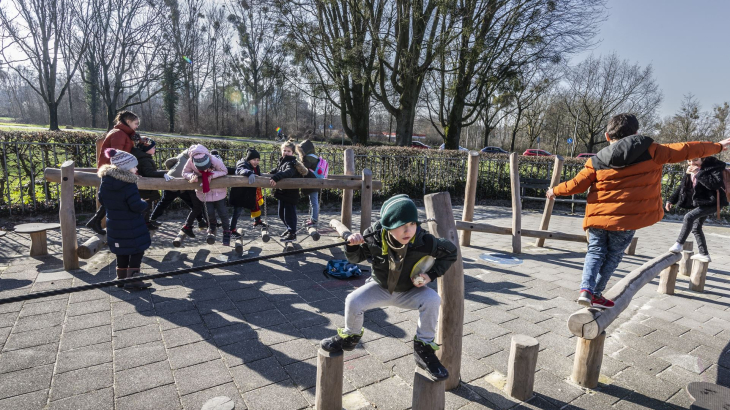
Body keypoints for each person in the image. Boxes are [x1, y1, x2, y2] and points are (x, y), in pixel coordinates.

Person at [546, 113, 730, 309]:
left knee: (595, 251)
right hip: (626, 220)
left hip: (598, 217)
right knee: (614, 255)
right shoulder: (653, 151)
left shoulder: (596, 161)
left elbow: (576, 185)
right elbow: (687, 149)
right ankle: (597, 293)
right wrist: (717, 146)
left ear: (608, 136)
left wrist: (554, 191)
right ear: (636, 133)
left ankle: (586, 290)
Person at [319, 194, 458, 381]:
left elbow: (451, 252)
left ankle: (423, 348)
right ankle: (350, 337)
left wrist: (430, 275)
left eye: (412, 224)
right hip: (381, 287)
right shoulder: (373, 237)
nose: (408, 231)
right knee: (353, 300)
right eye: (402, 226)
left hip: (410, 291)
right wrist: (352, 245)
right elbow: (355, 259)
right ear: (389, 225)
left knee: (433, 299)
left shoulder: (424, 241)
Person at [97, 148, 151, 290]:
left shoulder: (106, 181)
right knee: (136, 250)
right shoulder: (129, 185)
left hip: (114, 224)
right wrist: (144, 203)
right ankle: (133, 279)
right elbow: (135, 205)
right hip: (131, 225)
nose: (136, 168)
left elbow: (101, 199)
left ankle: (121, 279)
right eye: (134, 166)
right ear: (126, 168)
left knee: (121, 251)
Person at [86, 110, 142, 235]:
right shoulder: (119, 134)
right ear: (128, 122)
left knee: (113, 198)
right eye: (136, 123)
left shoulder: (122, 133)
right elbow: (118, 157)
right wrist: (130, 173)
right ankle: (97, 221)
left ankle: (95, 220)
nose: (137, 126)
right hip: (116, 172)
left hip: (116, 171)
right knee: (115, 198)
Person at [666, 156, 728, 262]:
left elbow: (714, 185)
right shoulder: (690, 170)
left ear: (702, 159)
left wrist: (698, 173)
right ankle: (704, 254)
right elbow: (682, 187)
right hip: (702, 203)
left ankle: (679, 244)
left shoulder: (713, 168)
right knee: (696, 227)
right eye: (689, 161)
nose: (692, 163)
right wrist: (671, 200)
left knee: (688, 217)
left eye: (695, 160)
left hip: (713, 202)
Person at [149, 149, 208, 232]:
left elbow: (169, 162)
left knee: (164, 202)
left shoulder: (181, 156)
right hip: (180, 184)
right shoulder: (193, 160)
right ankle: (200, 221)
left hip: (170, 180)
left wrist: (172, 170)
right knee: (191, 203)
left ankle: (153, 218)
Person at [182, 144, 231, 245]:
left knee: (223, 212)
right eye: (201, 169)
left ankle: (226, 231)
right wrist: (192, 176)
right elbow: (184, 173)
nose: (204, 171)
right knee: (209, 212)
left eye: (206, 168)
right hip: (204, 193)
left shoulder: (214, 160)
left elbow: (224, 171)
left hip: (219, 192)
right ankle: (212, 226)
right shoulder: (190, 161)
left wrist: (212, 175)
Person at [269, 140, 307, 241]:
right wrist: (270, 173)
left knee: (289, 214)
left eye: (288, 151)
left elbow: (288, 172)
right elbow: (278, 170)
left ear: (293, 153)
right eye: (284, 150)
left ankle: (292, 233)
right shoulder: (283, 161)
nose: (286, 153)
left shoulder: (291, 163)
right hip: (283, 193)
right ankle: (289, 229)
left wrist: (276, 177)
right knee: (281, 214)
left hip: (290, 194)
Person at [131, 137, 170, 230]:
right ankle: (143, 224)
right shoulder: (144, 160)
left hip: (145, 188)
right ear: (147, 149)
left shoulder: (144, 158)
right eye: (153, 148)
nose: (154, 149)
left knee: (147, 206)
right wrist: (163, 174)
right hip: (145, 188)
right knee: (145, 207)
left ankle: (146, 223)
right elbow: (148, 173)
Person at [229, 148, 267, 239]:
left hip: (249, 192)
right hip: (240, 193)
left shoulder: (255, 166)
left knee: (256, 204)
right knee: (237, 212)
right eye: (254, 160)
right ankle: (231, 230)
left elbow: (258, 174)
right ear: (249, 159)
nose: (256, 162)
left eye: (258, 160)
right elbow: (240, 170)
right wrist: (249, 173)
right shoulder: (243, 164)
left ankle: (257, 220)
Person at [296, 139, 321, 227]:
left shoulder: (308, 158)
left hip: (312, 182)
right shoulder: (314, 156)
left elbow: (303, 168)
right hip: (315, 181)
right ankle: (312, 218)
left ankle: (314, 220)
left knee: (314, 202)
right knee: (313, 201)